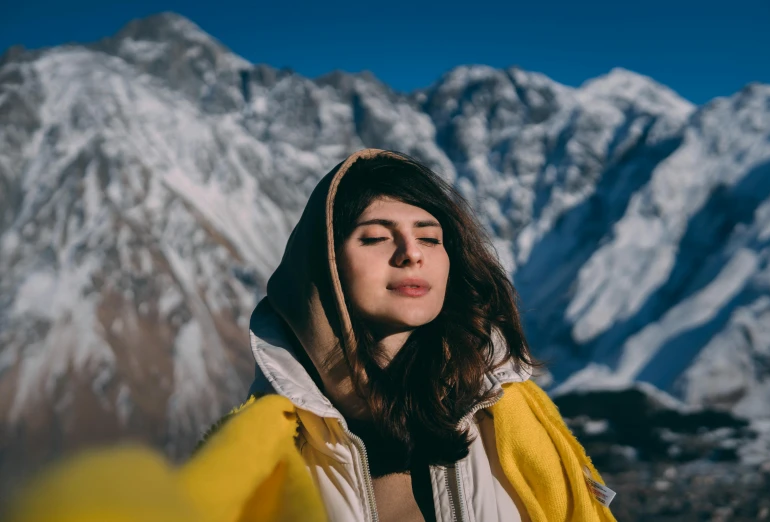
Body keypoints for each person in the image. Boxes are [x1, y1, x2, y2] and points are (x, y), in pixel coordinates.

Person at [3, 149, 616, 522]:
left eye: (431, 237)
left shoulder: (509, 413)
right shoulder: (269, 442)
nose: (412, 255)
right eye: (375, 237)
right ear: (324, 268)